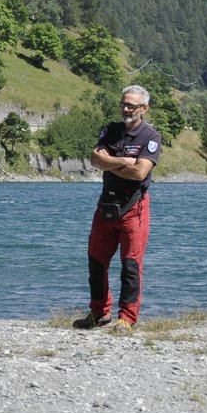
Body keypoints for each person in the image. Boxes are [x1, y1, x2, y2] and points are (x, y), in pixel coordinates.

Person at [75, 84, 161, 330]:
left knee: (131, 265)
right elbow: (94, 160)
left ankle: (127, 318)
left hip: (134, 207)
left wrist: (108, 162)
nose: (125, 109)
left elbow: (140, 172)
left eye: (131, 106)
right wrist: (123, 160)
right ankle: (99, 313)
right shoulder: (111, 130)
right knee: (96, 261)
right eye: (123, 104)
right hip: (106, 205)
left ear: (144, 108)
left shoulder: (151, 136)